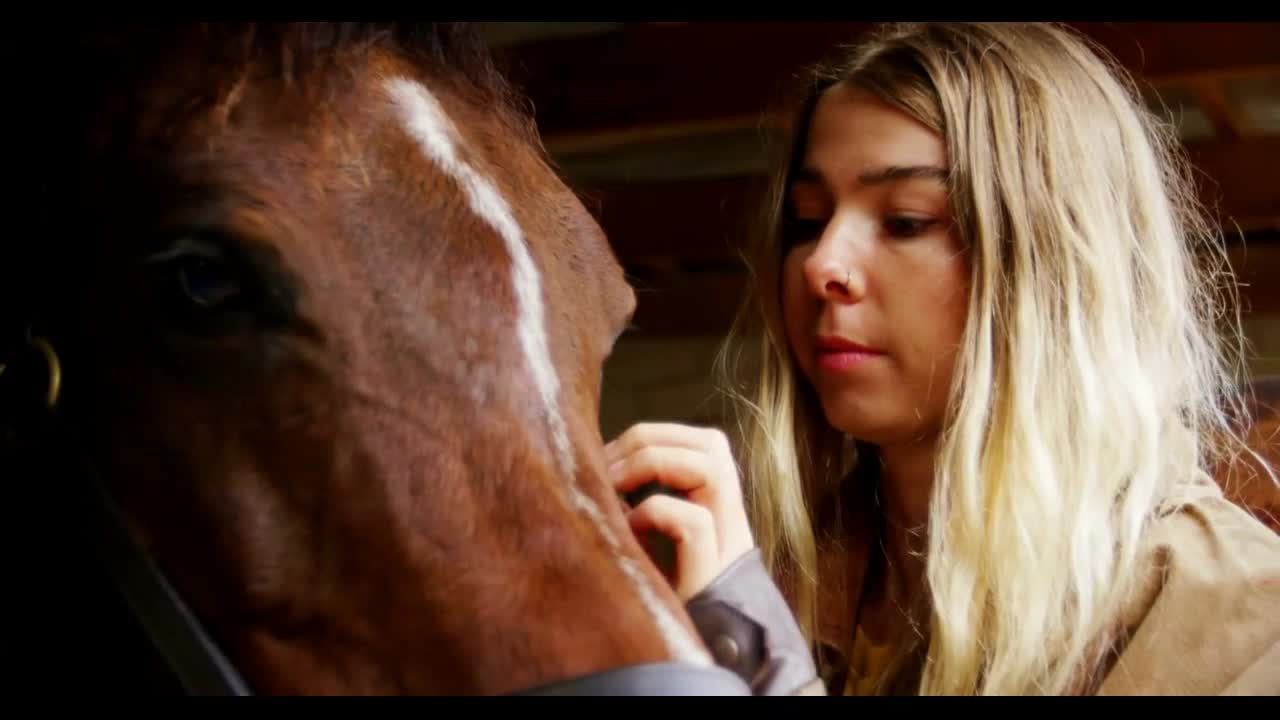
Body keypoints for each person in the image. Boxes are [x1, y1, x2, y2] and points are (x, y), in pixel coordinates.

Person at [606, 21, 1280, 696]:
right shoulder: (750, 568)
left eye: (905, 220)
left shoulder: (1239, 615)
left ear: (1054, 265)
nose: (823, 265)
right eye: (807, 222)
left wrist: (759, 661)